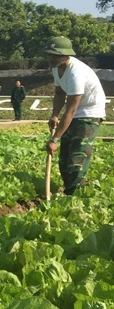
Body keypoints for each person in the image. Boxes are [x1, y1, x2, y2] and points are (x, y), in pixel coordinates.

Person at [45, 36, 107, 195]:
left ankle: (76, 195)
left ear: (66, 55)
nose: (52, 58)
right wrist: (54, 115)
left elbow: (71, 109)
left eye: (56, 55)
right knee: (64, 158)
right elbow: (59, 93)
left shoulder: (76, 72)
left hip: (89, 112)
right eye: (50, 54)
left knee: (76, 158)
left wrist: (54, 139)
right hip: (75, 111)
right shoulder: (55, 67)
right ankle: (69, 190)